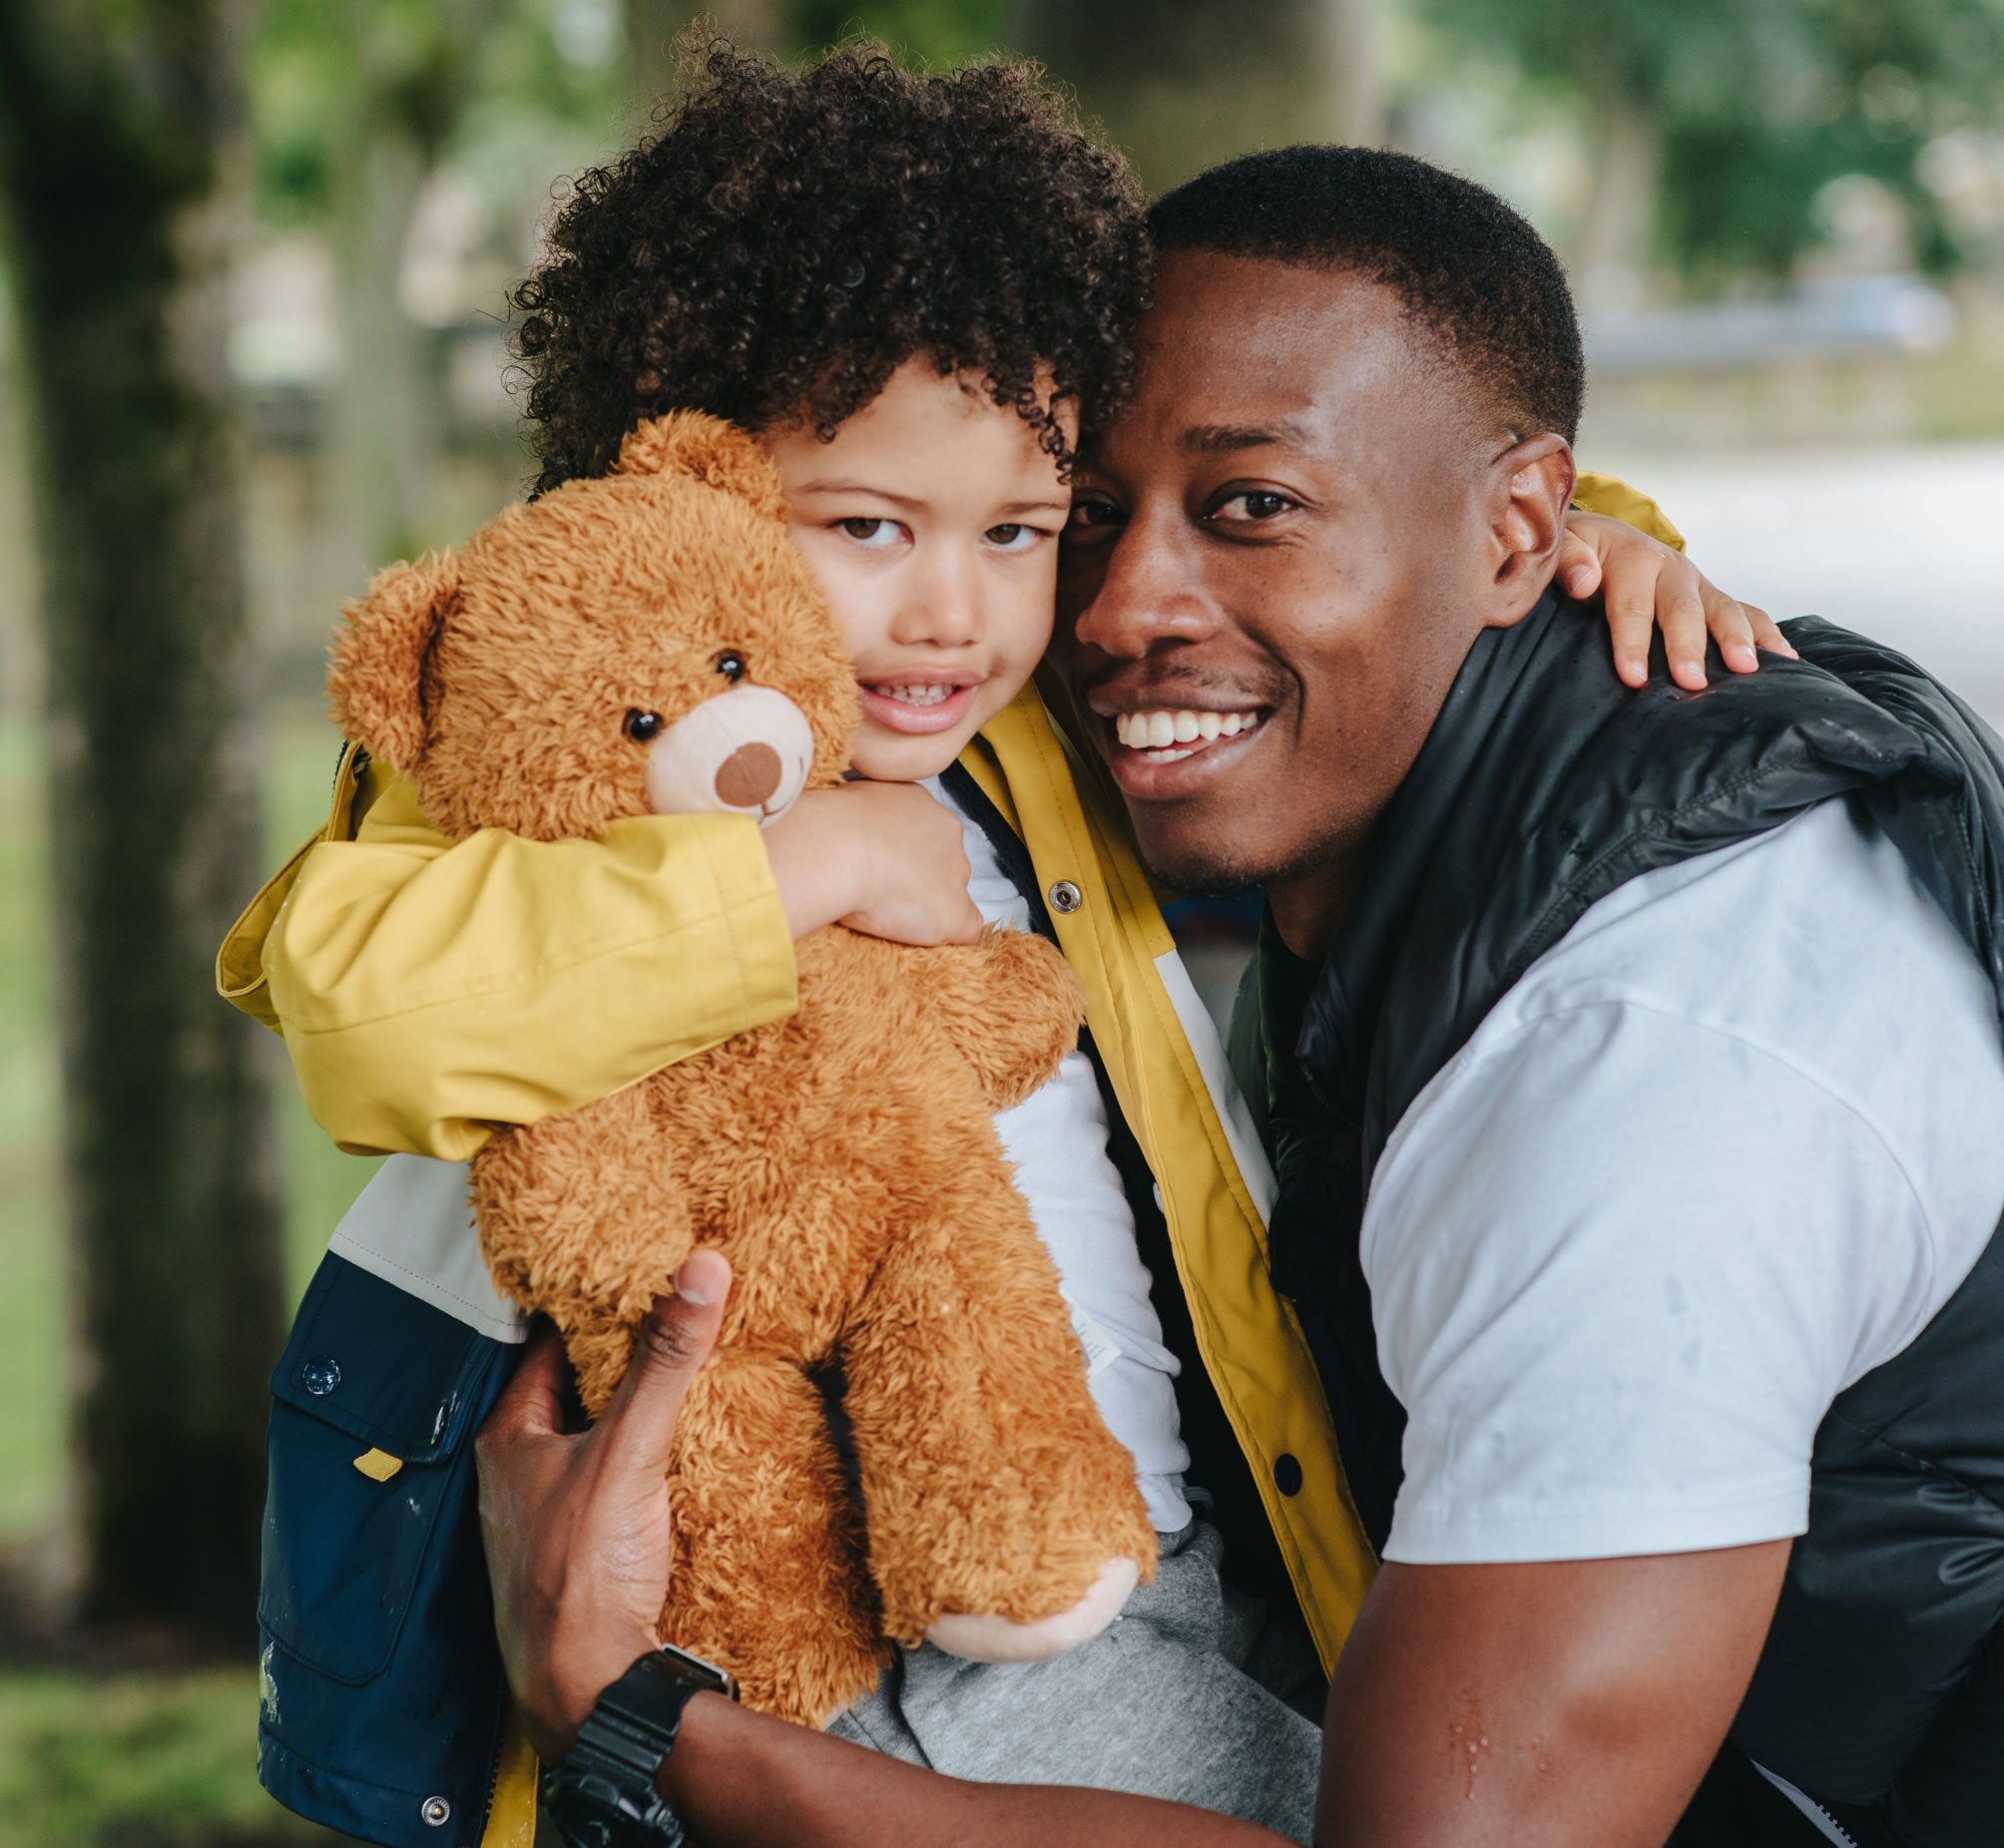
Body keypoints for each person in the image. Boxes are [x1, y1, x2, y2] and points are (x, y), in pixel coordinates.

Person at [222, 49, 1775, 1848]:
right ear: (687, 494)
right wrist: (796, 867)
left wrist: (1606, 536)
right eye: (866, 528)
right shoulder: (551, 753)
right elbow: (377, 1020)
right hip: (814, 1622)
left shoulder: (1019, 730)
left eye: (1021, 530)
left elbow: (1368, 530)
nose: (954, 610)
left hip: (1120, 1546)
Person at [474, 145, 2004, 1848]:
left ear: (1516, 531)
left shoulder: (1647, 1069)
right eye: (1089, 517)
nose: (1119, 611)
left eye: (1250, 506)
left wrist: (640, 1714)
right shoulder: (1390, 769)